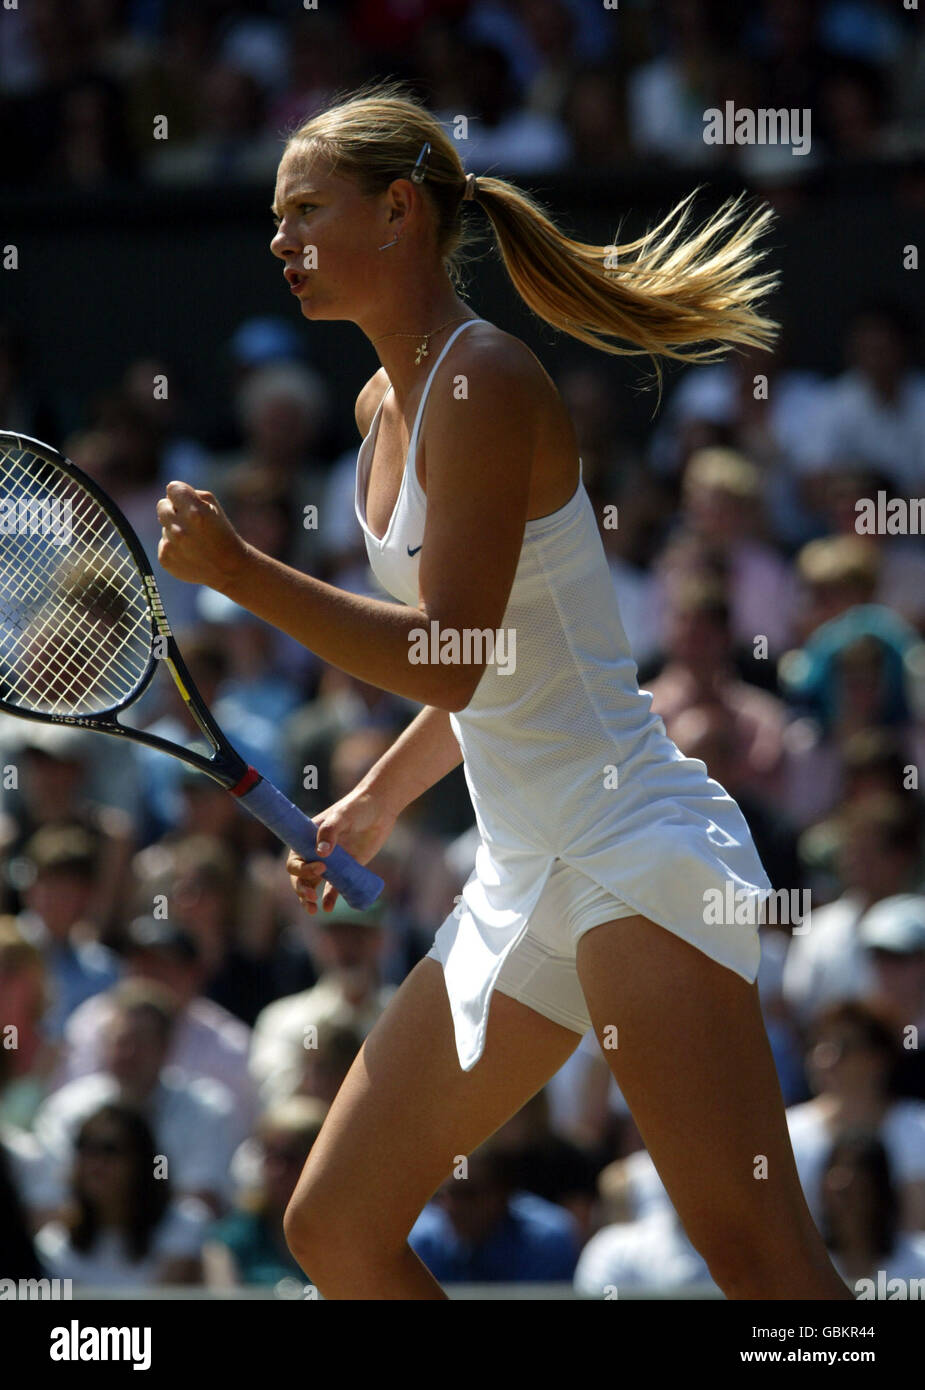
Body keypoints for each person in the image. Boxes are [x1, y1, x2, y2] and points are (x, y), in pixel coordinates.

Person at [155, 81, 851, 1299]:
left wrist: (241, 573)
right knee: (335, 1227)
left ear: (398, 214)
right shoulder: (379, 406)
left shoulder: (485, 380)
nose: (279, 241)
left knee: (765, 1267)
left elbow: (451, 652)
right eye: (275, 217)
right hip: (520, 876)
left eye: (305, 209)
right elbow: (495, 673)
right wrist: (373, 798)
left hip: (635, 849)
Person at [35, 1103, 209, 1288]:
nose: (95, 1163)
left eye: (110, 1149)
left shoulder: (185, 1226)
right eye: (85, 1147)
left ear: (143, 1162)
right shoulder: (53, 1245)